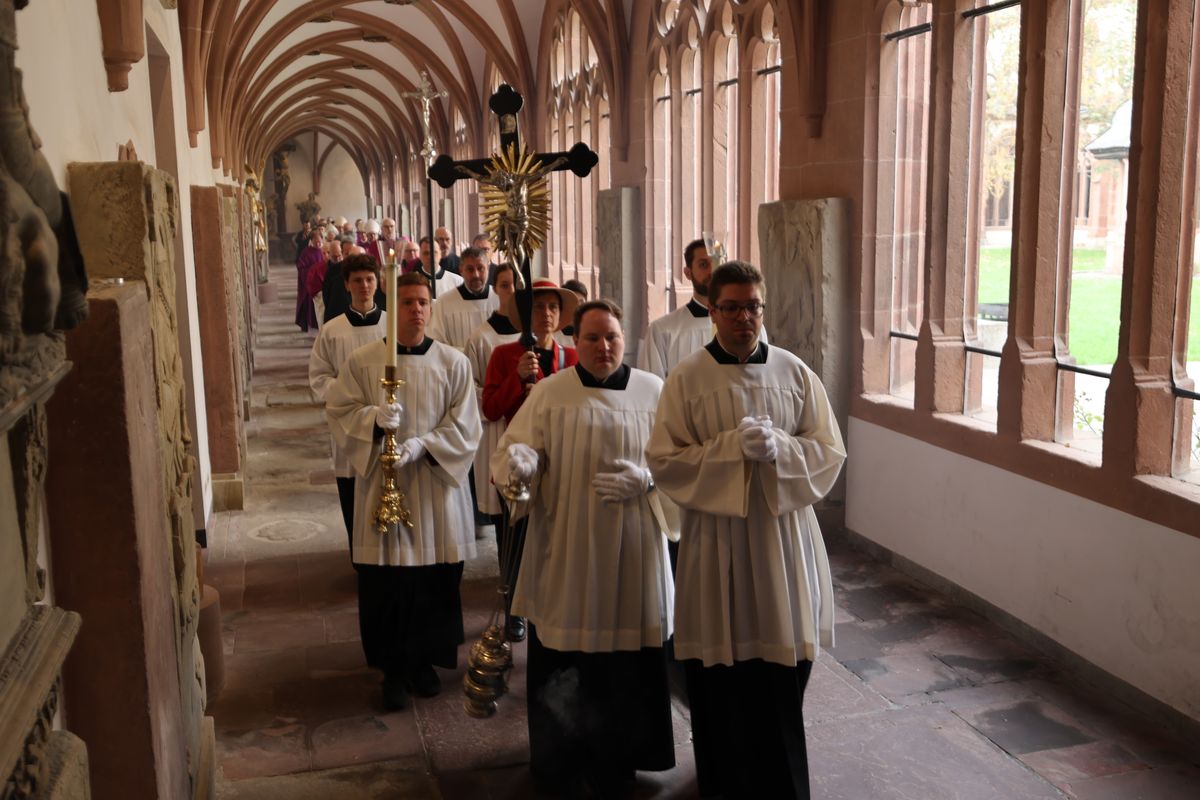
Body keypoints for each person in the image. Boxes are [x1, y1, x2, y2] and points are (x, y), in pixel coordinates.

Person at [645, 261, 846, 800]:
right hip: (718, 542)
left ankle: (783, 788)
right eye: (731, 307)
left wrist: (784, 448)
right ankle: (723, 784)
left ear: (763, 308)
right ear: (712, 311)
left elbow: (829, 452)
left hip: (783, 540)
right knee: (720, 672)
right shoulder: (688, 379)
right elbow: (664, 461)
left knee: (783, 669)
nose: (743, 317)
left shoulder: (794, 372)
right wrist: (729, 449)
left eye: (752, 306)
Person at [491, 298, 676, 797]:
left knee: (627, 659)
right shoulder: (551, 393)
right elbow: (511, 452)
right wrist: (522, 466)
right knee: (569, 654)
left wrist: (651, 480)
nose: (603, 346)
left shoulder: (654, 391)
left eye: (611, 336)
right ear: (576, 340)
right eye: (592, 337)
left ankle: (623, 757)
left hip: (635, 545)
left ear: (625, 338)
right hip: (568, 543)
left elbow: (681, 462)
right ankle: (562, 756)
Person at [325, 271, 482, 711]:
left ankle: (424, 663)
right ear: (393, 310)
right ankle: (392, 670)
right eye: (408, 302)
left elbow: (467, 425)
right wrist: (373, 420)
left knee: (435, 579)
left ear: (432, 309)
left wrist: (424, 445)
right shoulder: (362, 361)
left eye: (423, 302)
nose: (416, 310)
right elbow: (339, 409)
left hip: (434, 487)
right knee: (387, 584)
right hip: (382, 484)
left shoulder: (454, 362)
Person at [482, 278, 578, 641]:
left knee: (555, 539)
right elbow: (491, 409)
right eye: (539, 307)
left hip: (560, 462)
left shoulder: (572, 357)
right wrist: (517, 380)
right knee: (515, 540)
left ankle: (553, 603)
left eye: (553, 307)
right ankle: (515, 611)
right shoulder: (504, 355)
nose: (547, 314)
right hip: (520, 462)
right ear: (526, 313)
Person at [308, 255, 387, 552]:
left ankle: (387, 554)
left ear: (377, 282)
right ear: (346, 284)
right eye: (357, 280)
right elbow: (318, 377)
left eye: (369, 279)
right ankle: (359, 554)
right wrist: (347, 400)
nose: (364, 286)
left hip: (385, 423)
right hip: (347, 426)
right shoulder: (332, 330)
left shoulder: (392, 326)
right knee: (352, 489)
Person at [638, 240, 766, 380]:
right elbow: (652, 390)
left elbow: (761, 375)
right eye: (704, 264)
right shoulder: (662, 330)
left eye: (718, 262)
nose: (713, 271)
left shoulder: (749, 326)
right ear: (688, 273)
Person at [463, 263, 520, 535]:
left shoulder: (535, 335)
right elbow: (470, 388)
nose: (513, 291)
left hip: (531, 429)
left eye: (517, 285)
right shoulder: (481, 337)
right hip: (495, 427)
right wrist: (500, 398)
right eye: (506, 285)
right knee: (502, 507)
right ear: (495, 289)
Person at [426, 247, 498, 351]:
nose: (476, 275)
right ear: (461, 270)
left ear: (488, 268)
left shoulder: (499, 299)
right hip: (457, 365)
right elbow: (436, 343)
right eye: (470, 269)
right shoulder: (444, 303)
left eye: (480, 268)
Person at [295, 229, 324, 332]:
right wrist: (312, 271)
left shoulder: (324, 251)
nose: (318, 243)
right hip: (310, 283)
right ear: (311, 240)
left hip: (322, 284)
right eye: (316, 241)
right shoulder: (306, 252)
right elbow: (301, 267)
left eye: (319, 241)